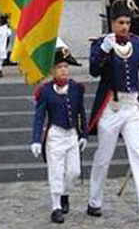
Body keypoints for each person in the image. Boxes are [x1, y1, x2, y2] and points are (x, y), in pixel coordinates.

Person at [87, 0, 139, 225]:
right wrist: (103, 50)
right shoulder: (101, 43)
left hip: (132, 106)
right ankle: (94, 201)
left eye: (128, 23)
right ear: (112, 23)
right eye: (121, 22)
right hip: (110, 108)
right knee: (104, 157)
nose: (125, 27)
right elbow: (94, 70)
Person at [31, 46, 87, 224]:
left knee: (74, 171)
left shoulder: (76, 88)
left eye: (65, 66)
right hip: (55, 134)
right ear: (52, 71)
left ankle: (64, 193)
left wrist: (84, 134)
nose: (64, 70)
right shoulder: (46, 91)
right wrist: (35, 140)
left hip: (71, 134)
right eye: (60, 67)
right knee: (55, 171)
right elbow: (39, 115)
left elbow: (81, 112)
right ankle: (56, 207)